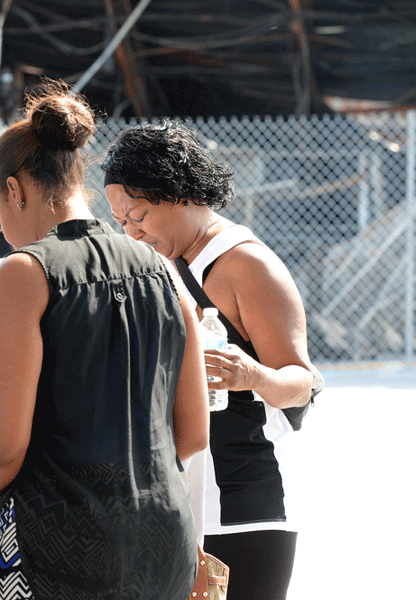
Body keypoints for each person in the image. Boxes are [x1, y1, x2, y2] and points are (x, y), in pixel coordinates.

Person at [0, 84, 209, 599]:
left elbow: (4, 449)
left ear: (15, 190)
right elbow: (194, 432)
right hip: (165, 544)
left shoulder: (24, 273)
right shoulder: (161, 268)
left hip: (61, 548)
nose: (4, 233)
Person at [102, 119, 323, 600]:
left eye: (139, 215)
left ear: (179, 192)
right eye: (122, 222)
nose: (133, 232)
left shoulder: (246, 264)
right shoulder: (166, 262)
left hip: (247, 498)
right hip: (183, 496)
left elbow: (302, 382)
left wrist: (251, 374)